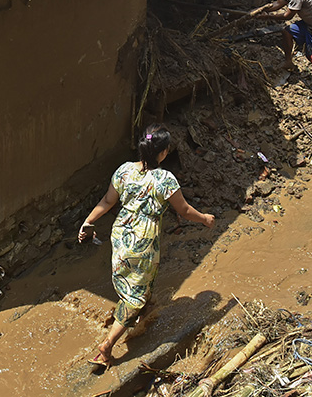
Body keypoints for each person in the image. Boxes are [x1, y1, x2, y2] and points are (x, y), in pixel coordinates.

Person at [79, 124, 215, 369]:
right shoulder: (165, 179)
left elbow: (108, 201)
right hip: (143, 240)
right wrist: (205, 218)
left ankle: (142, 312)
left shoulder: (123, 171)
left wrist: (88, 222)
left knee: (133, 282)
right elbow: (183, 210)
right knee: (135, 296)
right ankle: (107, 346)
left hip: (121, 236)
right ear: (162, 152)